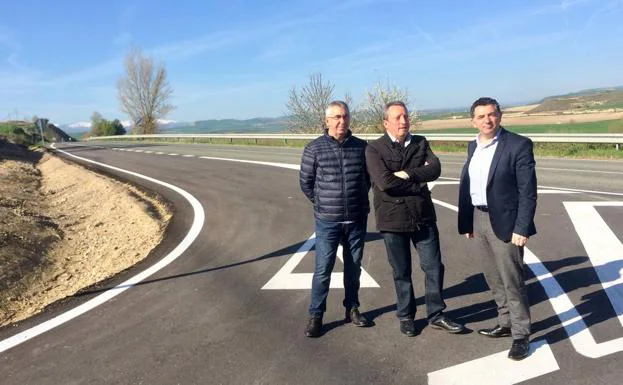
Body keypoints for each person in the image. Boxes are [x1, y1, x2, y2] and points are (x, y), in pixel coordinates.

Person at [365, 101, 464, 337]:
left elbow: (435, 169)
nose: (403, 121)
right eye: (398, 117)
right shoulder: (374, 149)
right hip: (392, 220)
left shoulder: (420, 142)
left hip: (423, 217)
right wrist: (417, 182)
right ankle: (406, 316)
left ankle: (436, 314)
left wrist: (407, 173)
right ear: (386, 122)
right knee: (401, 271)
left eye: (406, 117)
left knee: (434, 267)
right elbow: (385, 183)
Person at [458, 97, 537, 360]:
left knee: (512, 281)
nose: (487, 120)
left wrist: (522, 227)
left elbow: (528, 192)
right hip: (479, 219)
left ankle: (521, 334)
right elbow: (472, 186)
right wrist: (468, 221)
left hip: (507, 223)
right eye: (481, 117)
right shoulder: (473, 146)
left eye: (491, 115)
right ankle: (504, 323)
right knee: (493, 278)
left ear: (500, 116)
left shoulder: (518, 145)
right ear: (473, 121)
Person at [299, 100, 371, 338]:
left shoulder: (362, 147)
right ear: (327, 121)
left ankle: (352, 309)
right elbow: (306, 183)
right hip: (328, 220)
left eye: (345, 116)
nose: (342, 121)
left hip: (356, 219)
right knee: (323, 270)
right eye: (337, 117)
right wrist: (322, 202)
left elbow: (367, 180)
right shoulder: (314, 148)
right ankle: (316, 315)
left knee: (354, 269)